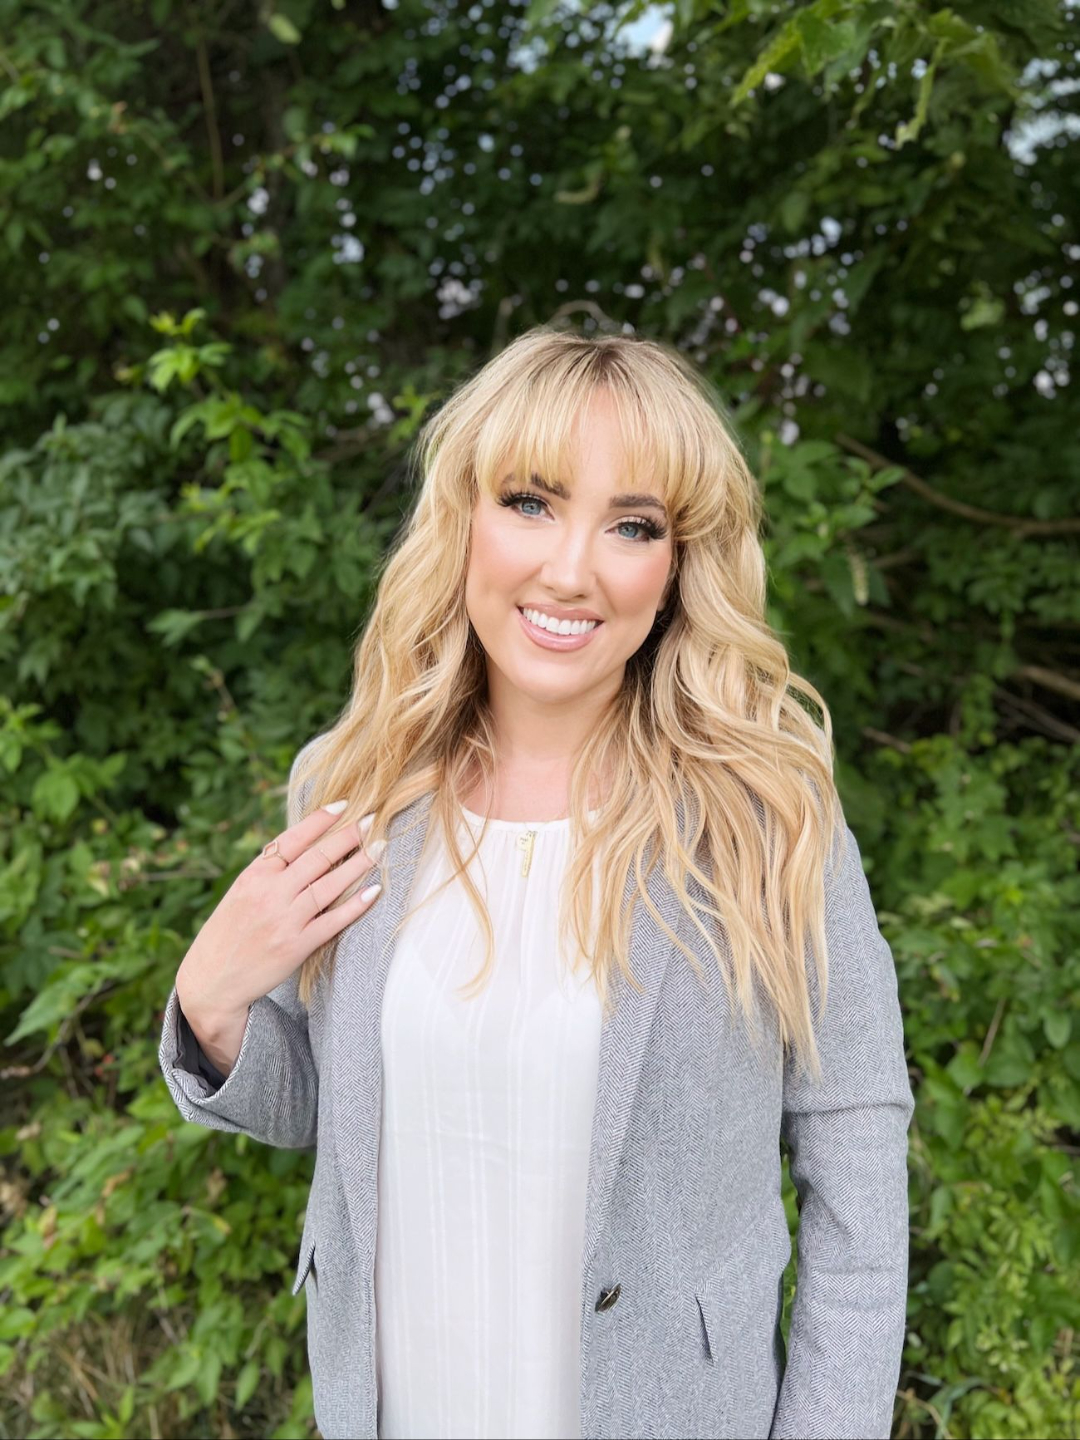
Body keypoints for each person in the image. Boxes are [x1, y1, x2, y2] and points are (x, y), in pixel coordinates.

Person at [159, 324, 915, 1440]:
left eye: (632, 525)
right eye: (531, 502)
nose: (570, 568)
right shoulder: (354, 784)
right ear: (463, 517)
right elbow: (328, 1109)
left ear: (678, 565)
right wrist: (212, 1005)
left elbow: (859, 1176)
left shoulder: (767, 821)